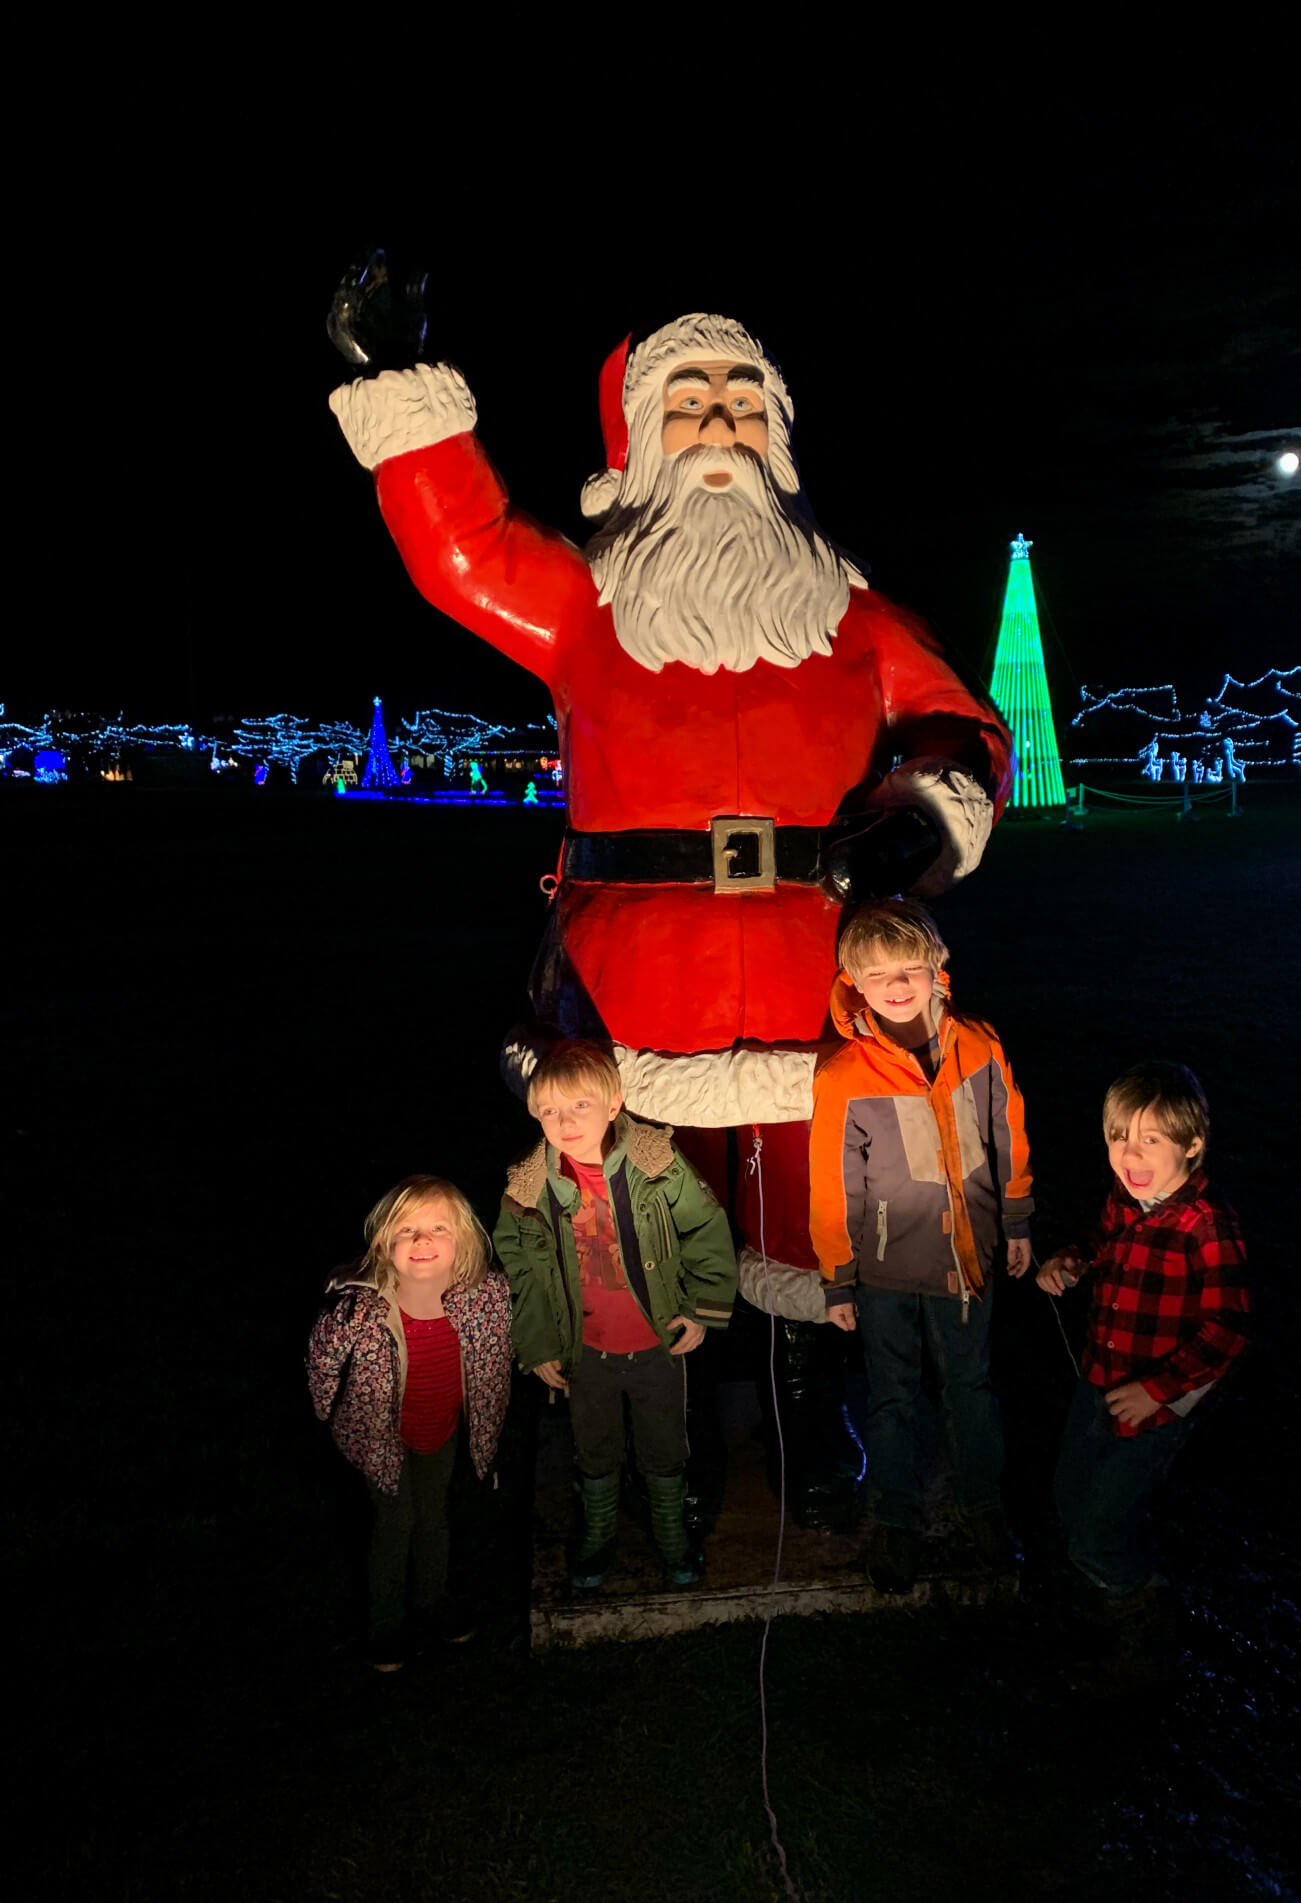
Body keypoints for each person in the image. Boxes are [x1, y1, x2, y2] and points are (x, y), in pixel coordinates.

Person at [328, 299, 1014, 1525]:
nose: (720, 426)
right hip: (632, 989)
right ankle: (672, 1451)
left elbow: (960, 724)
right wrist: (403, 386)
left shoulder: (851, 618)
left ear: (781, 438)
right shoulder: (589, 605)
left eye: (744, 404)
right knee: (636, 1240)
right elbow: (465, 552)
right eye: (689, 402)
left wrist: (927, 813)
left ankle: (816, 1426)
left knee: (822, 1233)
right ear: (639, 438)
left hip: (821, 989)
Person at [809, 900, 1034, 1594]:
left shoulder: (980, 1046)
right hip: (883, 1275)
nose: (897, 984)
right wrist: (838, 1276)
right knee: (893, 1395)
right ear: (854, 982)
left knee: (970, 1387)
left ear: (938, 968)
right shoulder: (845, 1074)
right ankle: (895, 1521)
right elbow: (830, 1182)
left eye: (911, 968)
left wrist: (1017, 1219)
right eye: (880, 974)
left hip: (968, 1262)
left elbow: (1009, 1135)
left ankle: (983, 1509)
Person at [1037, 1061, 1250, 1694]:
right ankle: (1091, 1609)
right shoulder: (1128, 1200)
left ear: (1192, 1144)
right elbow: (1104, 1240)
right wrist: (1072, 1262)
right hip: (1098, 1378)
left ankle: (1144, 1623)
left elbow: (1229, 1330)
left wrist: (1158, 1388)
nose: (1129, 1156)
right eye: (1117, 1138)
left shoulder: (1206, 1225)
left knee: (1098, 1534)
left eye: (1150, 1140)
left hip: (1156, 1409)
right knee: (1071, 1498)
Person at [493, 1041, 736, 1592]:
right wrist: (538, 1344)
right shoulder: (528, 1189)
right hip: (587, 1352)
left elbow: (706, 1227)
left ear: (614, 1103)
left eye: (580, 1106)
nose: (565, 1121)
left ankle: (671, 1533)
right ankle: (598, 1531)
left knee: (664, 1445)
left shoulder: (657, 1163)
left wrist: (701, 1308)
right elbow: (522, 1270)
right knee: (595, 1447)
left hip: (656, 1344)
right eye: (550, 1111)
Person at [307, 1176, 513, 1672]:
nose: (422, 1241)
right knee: (395, 1524)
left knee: (434, 1514)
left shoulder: (483, 1299)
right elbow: (322, 1358)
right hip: (381, 1440)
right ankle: (385, 1625)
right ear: (384, 1243)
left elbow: (500, 1354)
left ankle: (434, 1599)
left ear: (463, 1240)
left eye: (438, 1228)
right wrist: (325, 1408)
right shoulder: (361, 1310)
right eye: (407, 1230)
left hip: (439, 1431)